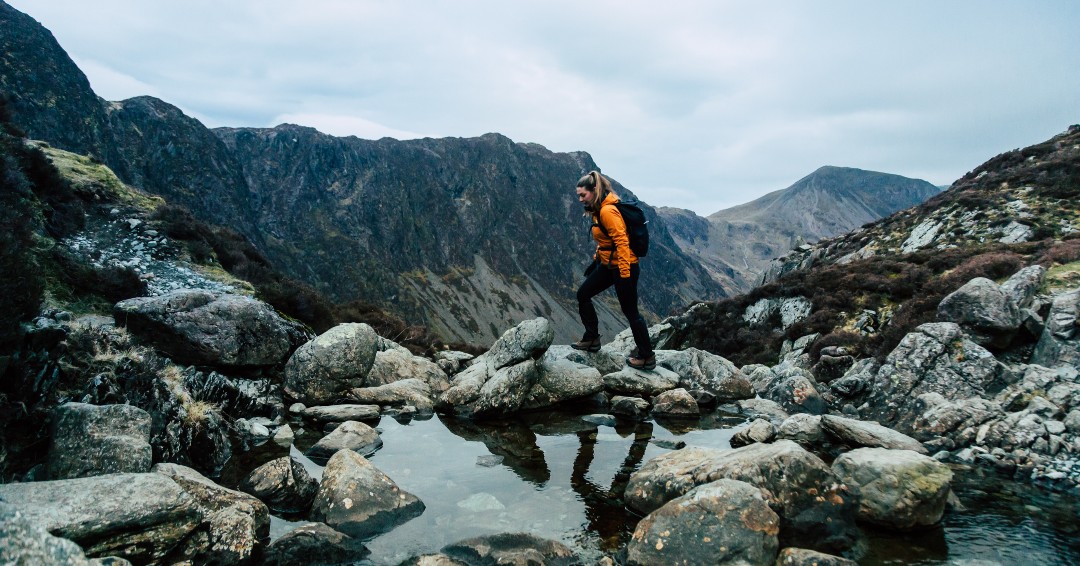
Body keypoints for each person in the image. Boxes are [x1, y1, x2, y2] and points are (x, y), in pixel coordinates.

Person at [570, 171, 655, 370]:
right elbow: (606, 241)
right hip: (609, 265)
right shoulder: (598, 209)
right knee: (583, 294)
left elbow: (622, 242)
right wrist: (596, 260)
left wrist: (624, 274)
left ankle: (647, 356)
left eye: (583, 195)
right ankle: (592, 339)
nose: (580, 199)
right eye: (579, 196)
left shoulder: (608, 211)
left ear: (594, 191)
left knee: (631, 311)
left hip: (624, 266)